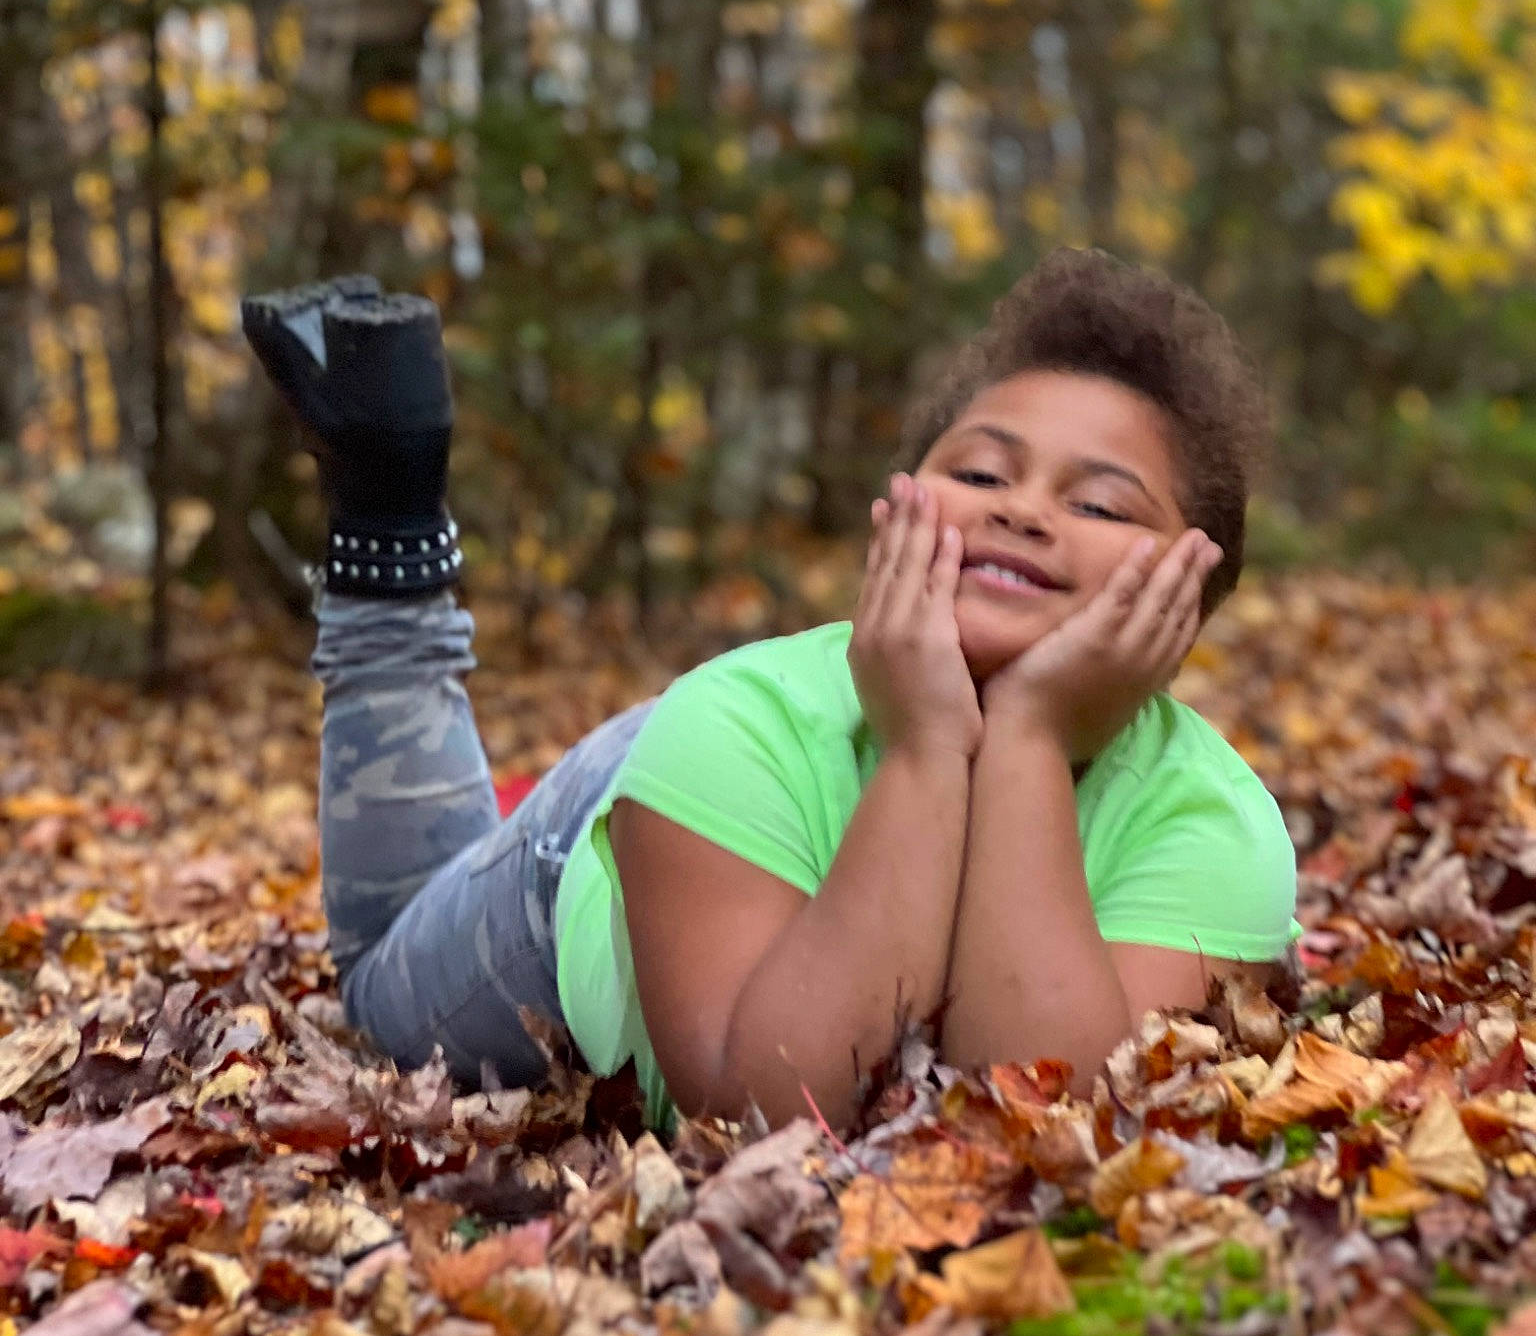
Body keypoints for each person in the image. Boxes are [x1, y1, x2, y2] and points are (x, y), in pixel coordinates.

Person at [242, 250, 1296, 1134]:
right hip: (654, 817)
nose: (1020, 510)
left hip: (761, 788)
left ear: (1192, 587)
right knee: (379, 989)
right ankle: (389, 509)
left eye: (1101, 501)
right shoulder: (730, 720)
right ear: (899, 508)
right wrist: (929, 745)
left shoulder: (1213, 819)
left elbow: (1045, 1117)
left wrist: (1020, 736)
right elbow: (762, 1112)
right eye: (978, 474)